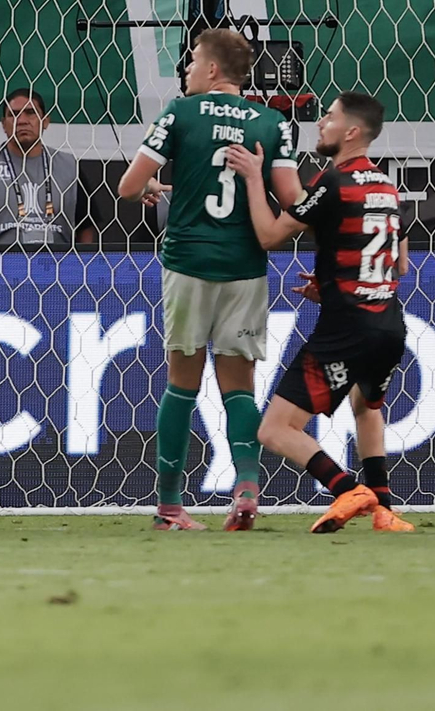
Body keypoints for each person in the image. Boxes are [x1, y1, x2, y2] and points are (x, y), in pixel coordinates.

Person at [118, 28, 303, 531]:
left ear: (214, 70)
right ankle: (246, 485)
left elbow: (128, 186)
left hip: (187, 264)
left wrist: (157, 184)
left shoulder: (180, 112)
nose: (187, 69)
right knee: (239, 387)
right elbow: (296, 201)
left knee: (181, 383)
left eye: (194, 60)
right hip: (244, 268)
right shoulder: (272, 123)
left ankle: (170, 504)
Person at [225, 92, 415, 534]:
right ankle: (385, 510)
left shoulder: (332, 182)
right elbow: (399, 264)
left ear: (351, 132)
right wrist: (334, 283)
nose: (320, 124)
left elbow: (272, 236)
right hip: (389, 324)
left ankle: (347, 488)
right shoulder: (389, 187)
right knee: (366, 405)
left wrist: (255, 178)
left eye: (328, 118)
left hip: (346, 328)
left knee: (273, 429)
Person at [0, 89, 95, 249]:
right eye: (14, 114)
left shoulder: (68, 166)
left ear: (45, 121)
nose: (22, 121)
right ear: (4, 125)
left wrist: (80, 267)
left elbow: (86, 227)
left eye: (30, 113)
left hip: (57, 265)